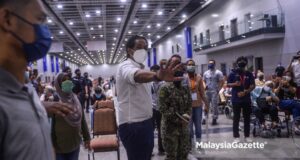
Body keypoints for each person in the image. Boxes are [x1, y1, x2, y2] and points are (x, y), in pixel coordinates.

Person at [0, 0, 73, 159]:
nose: (45, 30)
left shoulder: (25, 86)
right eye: (39, 19)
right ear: (7, 20)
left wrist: (39, 107)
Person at [116, 35, 182, 160]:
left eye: (145, 47)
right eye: (139, 47)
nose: (143, 50)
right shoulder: (125, 66)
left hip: (146, 122)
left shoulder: (143, 67)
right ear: (129, 50)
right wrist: (157, 76)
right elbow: (136, 76)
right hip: (133, 125)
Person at [159, 55, 192, 160]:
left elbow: (189, 104)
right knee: (171, 156)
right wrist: (179, 120)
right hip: (170, 129)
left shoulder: (185, 88)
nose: (179, 69)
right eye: (175, 66)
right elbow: (163, 108)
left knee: (183, 154)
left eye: (180, 66)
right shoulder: (165, 88)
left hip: (183, 129)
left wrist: (186, 117)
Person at [52, 73, 91, 160]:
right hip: (59, 148)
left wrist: (87, 138)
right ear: (58, 84)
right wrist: (51, 145)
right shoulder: (54, 100)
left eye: (69, 79)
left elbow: (82, 119)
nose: (67, 82)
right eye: (64, 80)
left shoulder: (76, 99)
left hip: (75, 144)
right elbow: (50, 126)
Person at [227, 56, 255, 142]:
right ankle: (236, 136)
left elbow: (253, 85)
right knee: (236, 118)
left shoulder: (249, 74)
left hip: (246, 99)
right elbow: (228, 84)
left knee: (247, 118)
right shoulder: (232, 73)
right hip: (236, 99)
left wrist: (245, 92)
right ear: (237, 62)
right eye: (240, 61)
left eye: (243, 61)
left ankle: (247, 136)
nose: (241, 62)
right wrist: (235, 84)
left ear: (246, 63)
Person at [186, 59, 209, 147]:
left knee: (198, 128)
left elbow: (203, 93)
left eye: (192, 64)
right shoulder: (184, 78)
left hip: (198, 106)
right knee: (189, 128)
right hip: (187, 107)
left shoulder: (199, 77)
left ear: (195, 66)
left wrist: (207, 105)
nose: (190, 66)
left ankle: (199, 145)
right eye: (189, 64)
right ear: (187, 66)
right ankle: (191, 146)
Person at [203, 59, 224, 125]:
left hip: (214, 91)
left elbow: (221, 81)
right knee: (205, 105)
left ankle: (214, 118)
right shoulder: (206, 73)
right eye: (209, 63)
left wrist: (218, 89)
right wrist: (204, 86)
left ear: (214, 64)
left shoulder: (218, 72)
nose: (210, 64)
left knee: (214, 106)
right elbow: (203, 81)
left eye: (211, 63)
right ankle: (204, 118)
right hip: (207, 91)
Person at [150, 64, 165, 155]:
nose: (154, 74)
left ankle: (161, 149)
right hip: (151, 109)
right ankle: (150, 150)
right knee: (150, 130)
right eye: (152, 72)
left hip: (161, 108)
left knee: (161, 129)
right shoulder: (148, 83)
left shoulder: (164, 84)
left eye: (156, 72)